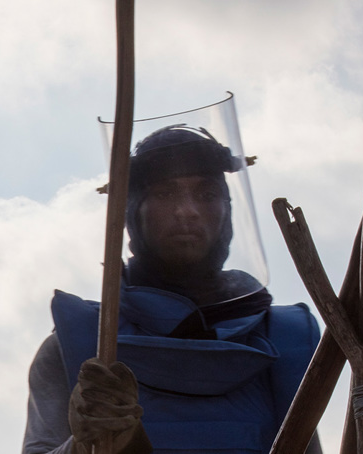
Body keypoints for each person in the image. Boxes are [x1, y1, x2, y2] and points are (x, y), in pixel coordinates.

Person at [22, 125, 323, 454]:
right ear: (134, 212)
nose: (187, 211)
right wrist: (84, 447)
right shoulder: (80, 345)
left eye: (206, 194)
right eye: (165, 194)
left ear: (227, 209)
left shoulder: (283, 341)